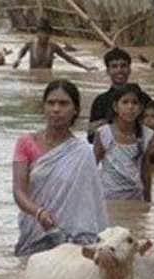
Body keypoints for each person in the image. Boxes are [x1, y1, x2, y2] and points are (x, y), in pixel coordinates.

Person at [12, 80, 108, 257]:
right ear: (43, 107)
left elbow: (90, 203)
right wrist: (39, 213)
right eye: (51, 103)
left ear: (75, 110)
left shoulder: (84, 153)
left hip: (73, 240)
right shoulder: (26, 143)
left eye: (63, 104)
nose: (56, 109)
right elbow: (19, 192)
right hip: (34, 233)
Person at [93, 84, 154, 202]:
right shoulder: (104, 133)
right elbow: (92, 166)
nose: (130, 107)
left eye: (135, 103)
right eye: (125, 102)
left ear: (141, 108)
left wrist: (148, 201)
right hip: (108, 196)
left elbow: (145, 170)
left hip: (134, 196)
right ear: (116, 107)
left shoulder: (147, 135)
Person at [87, 47, 151, 143]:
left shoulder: (144, 98)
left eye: (123, 66)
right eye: (114, 66)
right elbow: (91, 137)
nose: (119, 70)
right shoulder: (100, 101)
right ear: (108, 71)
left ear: (129, 69)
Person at [12, 19, 96, 72]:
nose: (45, 36)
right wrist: (18, 59)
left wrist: (85, 67)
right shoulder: (30, 44)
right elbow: (22, 51)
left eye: (47, 34)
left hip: (47, 76)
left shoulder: (53, 47)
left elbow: (68, 58)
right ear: (38, 33)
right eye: (43, 33)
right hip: (32, 76)